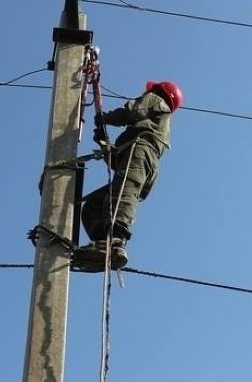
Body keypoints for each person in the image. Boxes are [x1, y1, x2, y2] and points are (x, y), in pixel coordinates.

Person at [73, 80, 183, 270]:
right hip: (142, 161)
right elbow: (117, 162)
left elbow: (132, 111)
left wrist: (105, 118)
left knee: (123, 193)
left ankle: (115, 241)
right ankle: (101, 244)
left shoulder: (156, 100)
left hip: (141, 153)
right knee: (94, 205)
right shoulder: (150, 127)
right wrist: (103, 142)